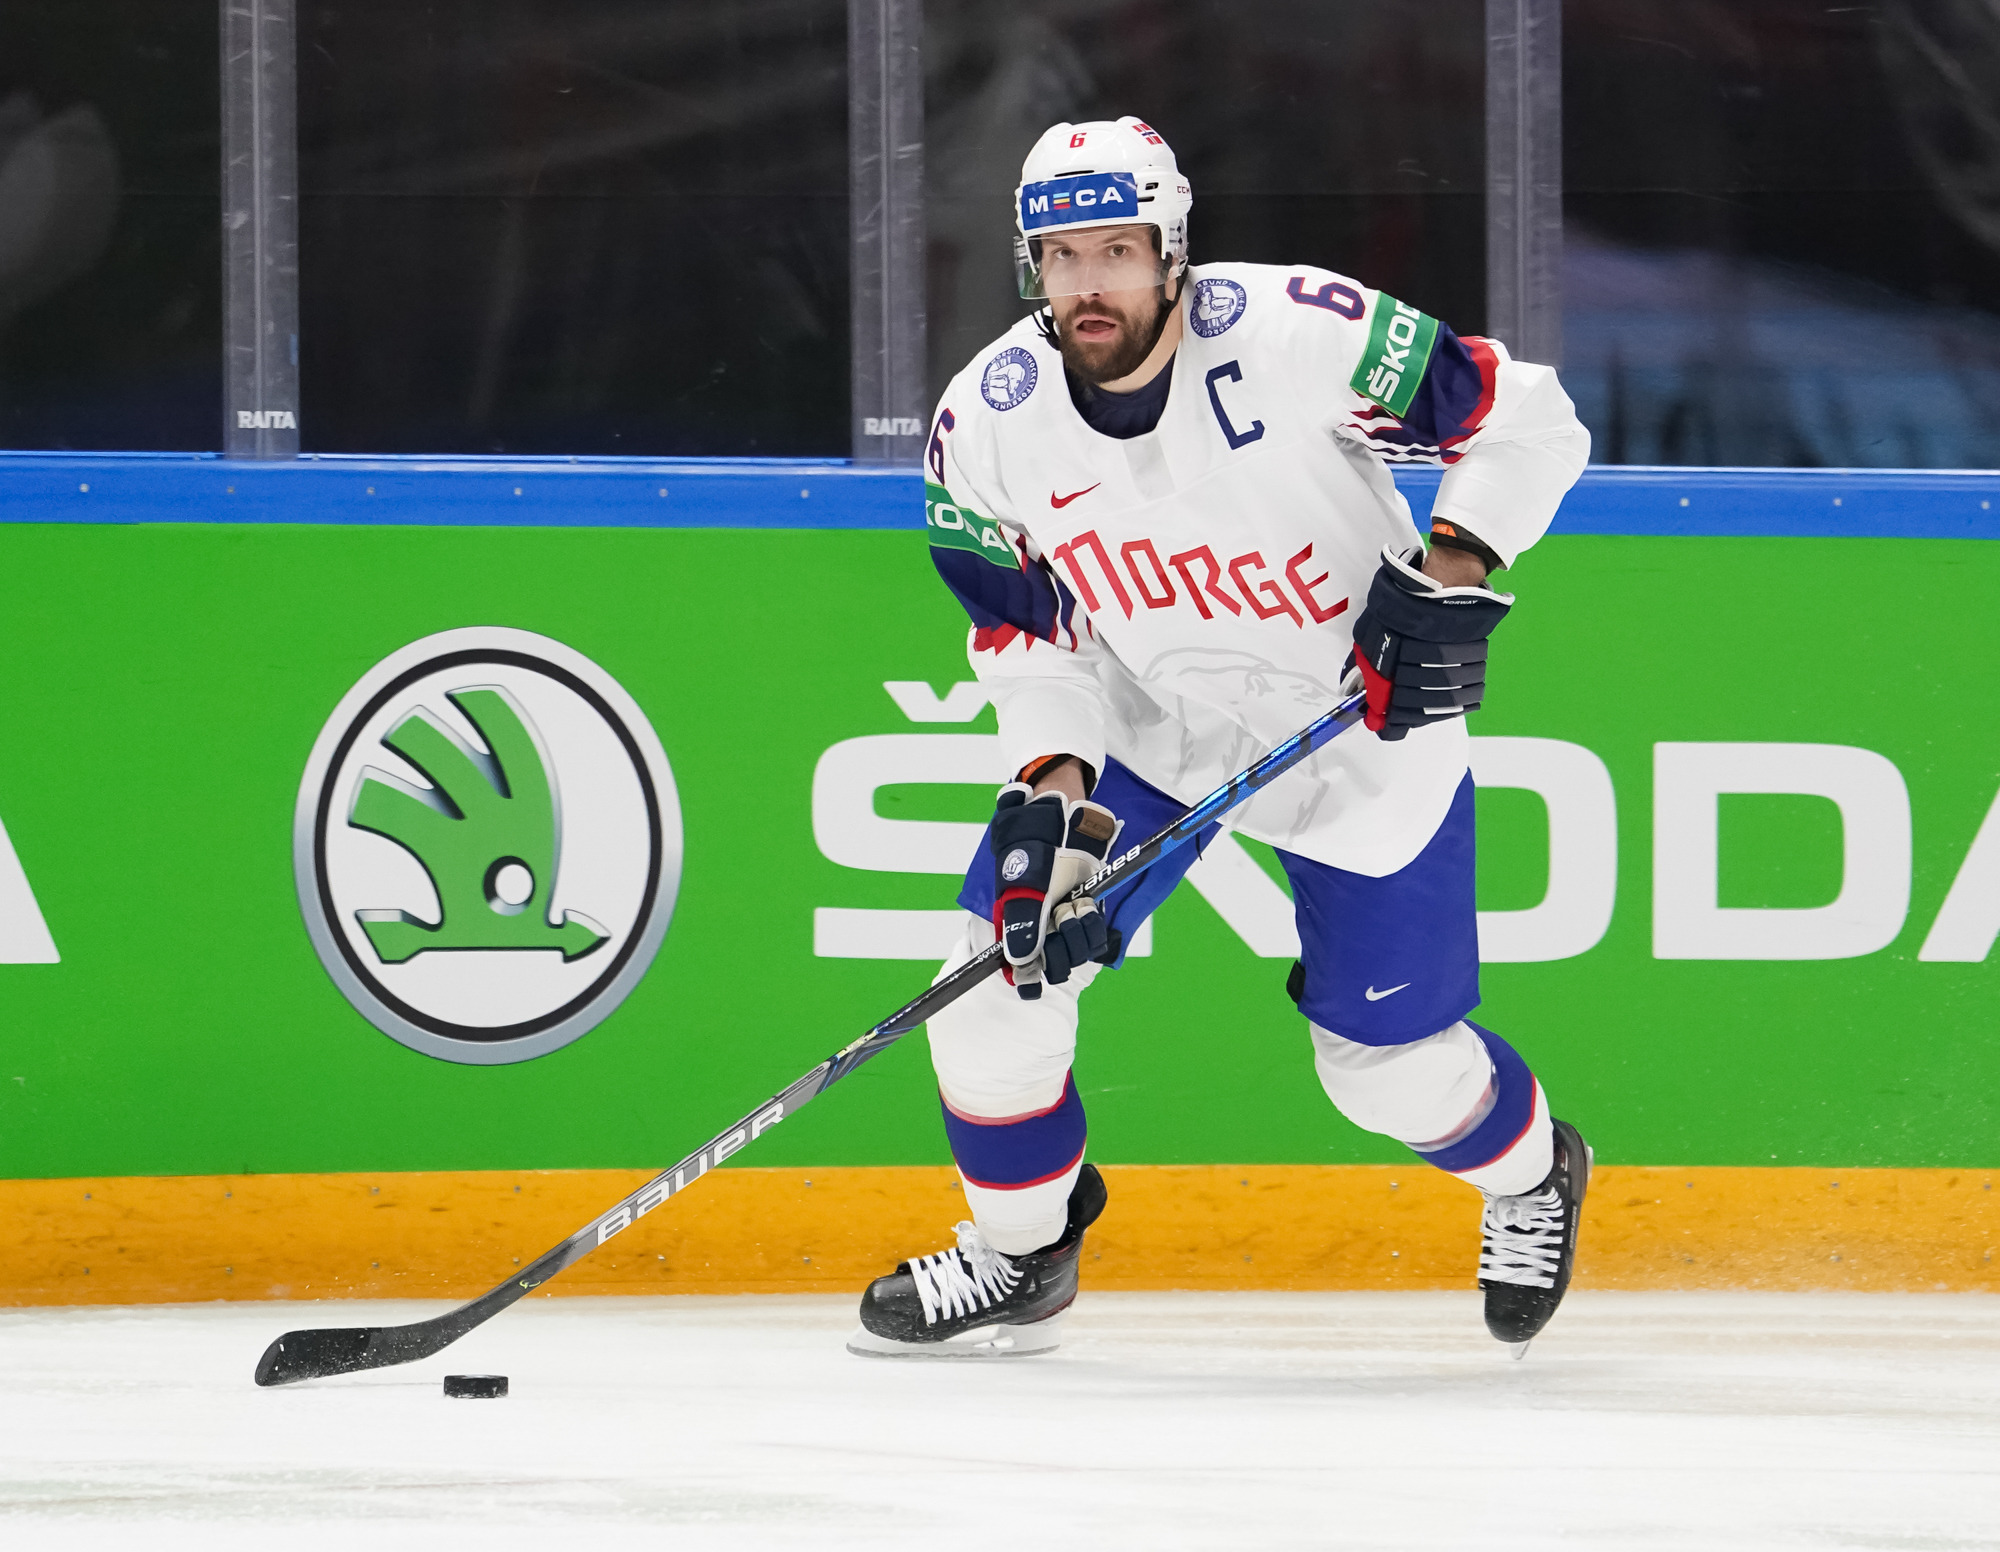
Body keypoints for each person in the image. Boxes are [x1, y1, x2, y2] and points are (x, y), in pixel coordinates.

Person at [848, 117, 1592, 1359]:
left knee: (1381, 1069)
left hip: (1359, 724)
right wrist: (1051, 787)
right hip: (1153, 725)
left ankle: (1532, 1175)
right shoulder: (985, 421)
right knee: (988, 984)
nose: (1088, 282)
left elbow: (1529, 418)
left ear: (1170, 249)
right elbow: (1026, 633)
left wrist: (1453, 567)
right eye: (1061, 255)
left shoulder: (1297, 333)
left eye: (1116, 249)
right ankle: (1022, 1252)